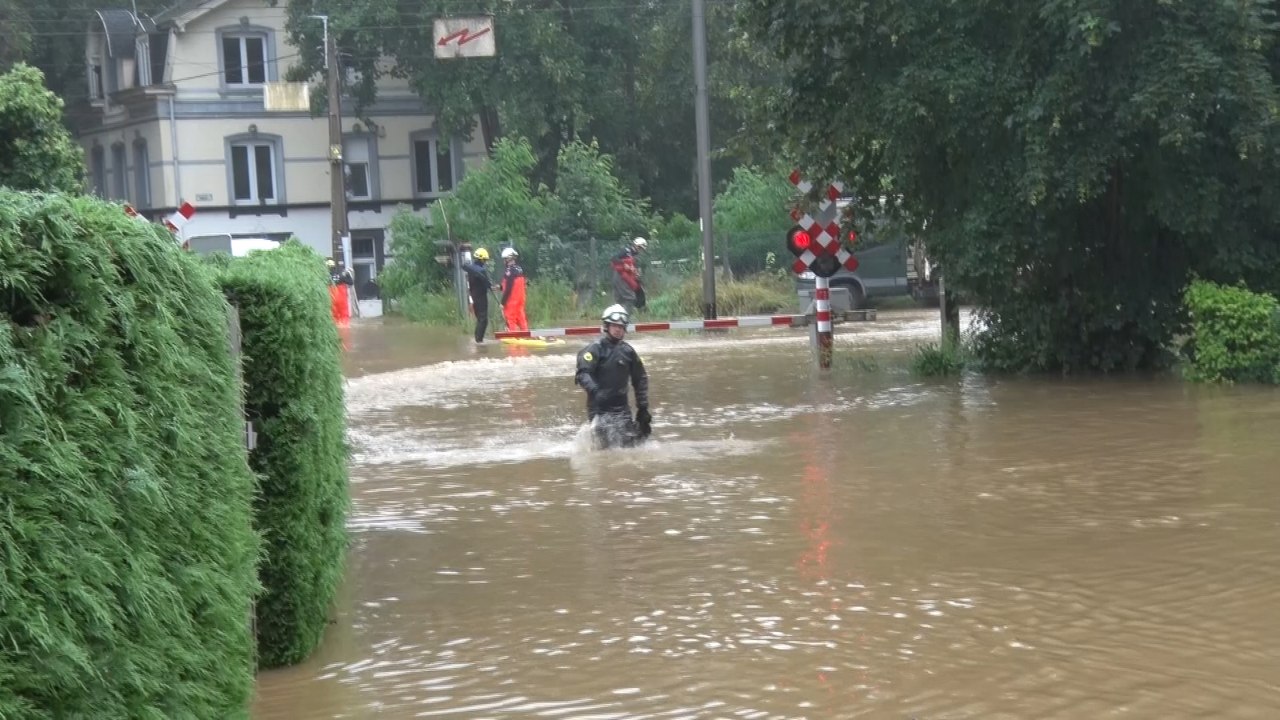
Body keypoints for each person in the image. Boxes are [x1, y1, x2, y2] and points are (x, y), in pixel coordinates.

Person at [575, 304, 651, 449]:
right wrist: (595, 391)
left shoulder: (628, 352)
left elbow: (640, 379)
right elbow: (583, 373)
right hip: (599, 408)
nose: (618, 329)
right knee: (605, 449)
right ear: (606, 326)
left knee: (629, 447)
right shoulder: (595, 349)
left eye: (621, 327)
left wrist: (643, 408)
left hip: (622, 410)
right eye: (615, 326)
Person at [462, 247, 492, 343]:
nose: (485, 262)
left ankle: (477, 339)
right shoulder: (481, 270)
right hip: (481, 297)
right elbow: (487, 285)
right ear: (481, 259)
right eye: (485, 260)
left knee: (480, 318)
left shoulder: (471, 268)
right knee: (483, 319)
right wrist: (490, 285)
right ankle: (479, 341)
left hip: (474, 295)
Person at [610, 236, 648, 315]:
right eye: (640, 248)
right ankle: (625, 318)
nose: (641, 250)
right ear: (637, 245)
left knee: (620, 300)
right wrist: (624, 264)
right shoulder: (627, 251)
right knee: (630, 298)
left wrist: (635, 272)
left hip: (623, 277)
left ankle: (618, 317)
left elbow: (632, 266)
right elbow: (614, 258)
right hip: (620, 276)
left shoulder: (634, 255)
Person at [499, 247, 528, 331]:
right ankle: (525, 334)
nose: (504, 261)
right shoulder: (519, 269)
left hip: (512, 301)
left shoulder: (509, 271)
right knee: (521, 317)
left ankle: (512, 335)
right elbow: (517, 284)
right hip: (520, 299)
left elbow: (508, 288)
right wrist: (500, 287)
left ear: (508, 258)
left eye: (505, 259)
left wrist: (502, 303)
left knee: (510, 319)